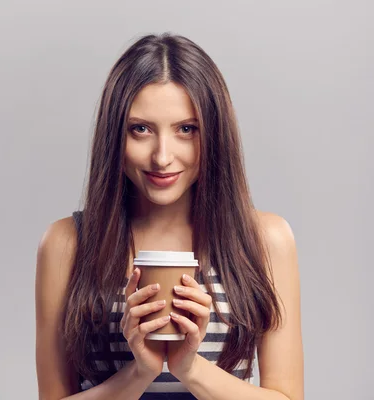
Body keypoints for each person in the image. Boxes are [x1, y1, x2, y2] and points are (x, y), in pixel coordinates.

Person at [35, 33, 304, 400]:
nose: (162, 156)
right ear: (115, 134)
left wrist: (190, 368)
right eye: (141, 129)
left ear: (214, 133)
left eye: (186, 130)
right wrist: (140, 372)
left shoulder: (264, 240)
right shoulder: (68, 243)